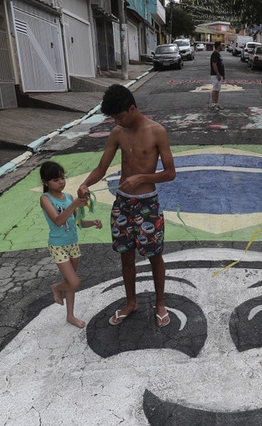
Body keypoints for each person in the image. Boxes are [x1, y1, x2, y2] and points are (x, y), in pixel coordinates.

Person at [78, 84, 177, 327]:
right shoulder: (117, 133)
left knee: (155, 255)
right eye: (114, 118)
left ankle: (160, 303)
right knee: (126, 256)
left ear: (132, 108)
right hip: (122, 203)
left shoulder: (157, 132)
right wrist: (85, 184)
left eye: (120, 117)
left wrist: (142, 178)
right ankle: (131, 302)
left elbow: (170, 172)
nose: (117, 122)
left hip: (148, 205)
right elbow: (102, 168)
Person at [39, 161, 103, 328]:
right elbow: (58, 221)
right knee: (73, 282)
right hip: (58, 246)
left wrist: (93, 222)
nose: (61, 182)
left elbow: (77, 222)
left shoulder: (68, 197)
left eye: (62, 178)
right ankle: (56, 287)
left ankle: (70, 316)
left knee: (70, 283)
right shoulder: (45, 199)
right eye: (55, 179)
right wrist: (74, 204)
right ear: (46, 182)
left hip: (72, 244)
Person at [210, 41, 225, 110]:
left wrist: (223, 75)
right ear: (218, 46)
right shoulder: (215, 54)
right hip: (215, 75)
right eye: (221, 45)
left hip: (219, 75)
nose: (222, 47)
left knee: (217, 89)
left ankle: (217, 103)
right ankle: (213, 104)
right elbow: (214, 64)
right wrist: (218, 74)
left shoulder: (218, 54)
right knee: (215, 89)